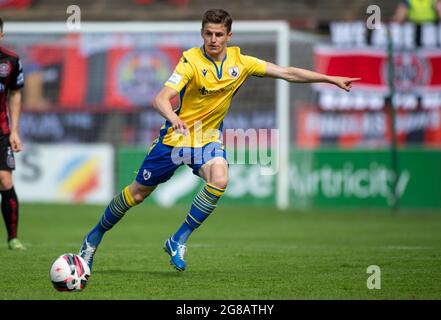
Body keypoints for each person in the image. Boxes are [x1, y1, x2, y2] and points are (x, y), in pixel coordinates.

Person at [79, 9, 360, 272]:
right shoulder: (190, 61)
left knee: (220, 178)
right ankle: (93, 238)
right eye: (208, 34)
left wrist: (329, 78)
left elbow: (286, 72)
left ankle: (178, 239)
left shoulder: (242, 63)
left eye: (219, 34)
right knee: (137, 194)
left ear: (228, 36)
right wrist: (172, 117)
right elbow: (161, 98)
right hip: (176, 140)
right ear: (202, 34)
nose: (213, 39)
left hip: (207, 139)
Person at [0, 17, 26, 250]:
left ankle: (12, 238)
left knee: (5, 179)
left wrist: (15, 130)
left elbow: (15, 93)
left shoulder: (11, 61)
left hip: (1, 129)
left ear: (1, 34)